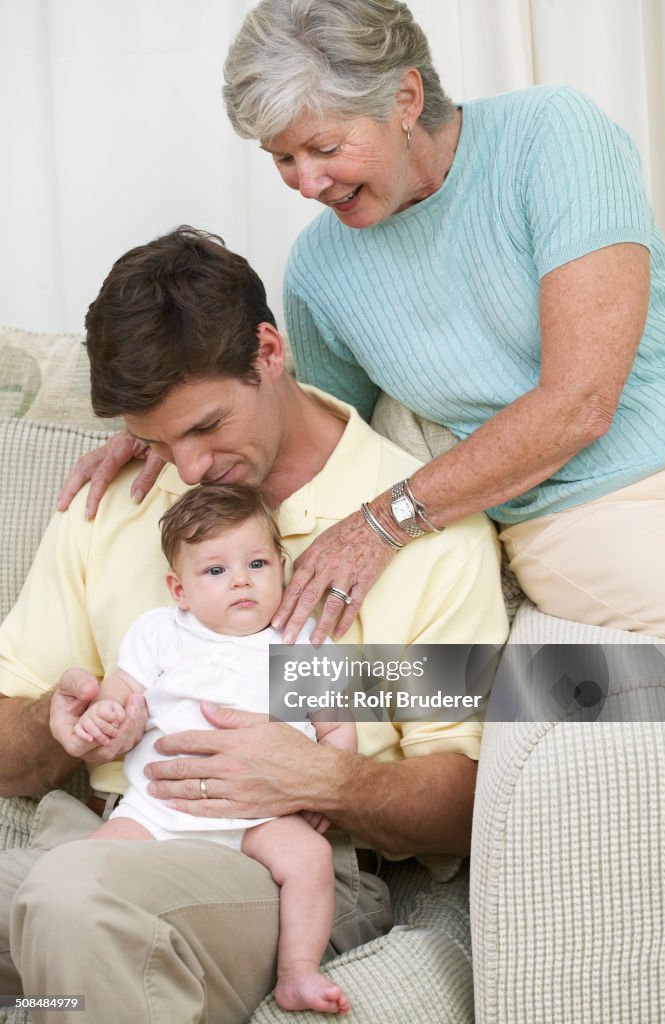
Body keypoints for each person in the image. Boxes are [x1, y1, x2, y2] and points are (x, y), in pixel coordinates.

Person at [0, 227, 508, 1023]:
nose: (187, 468)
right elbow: (9, 735)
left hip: (273, 862)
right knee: (73, 895)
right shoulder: (119, 500)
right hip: (111, 830)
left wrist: (325, 778)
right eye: (157, 438)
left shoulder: (419, 531)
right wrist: (55, 723)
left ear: (269, 351)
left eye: (205, 426)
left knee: (72, 901)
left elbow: (468, 798)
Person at [62, 0, 665, 642]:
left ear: (405, 98)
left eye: (323, 147)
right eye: (282, 159)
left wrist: (384, 521)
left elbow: (582, 401)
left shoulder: (553, 134)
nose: (305, 183)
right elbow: (324, 438)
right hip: (584, 513)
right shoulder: (320, 270)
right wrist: (171, 423)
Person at [72, 483, 354, 1015]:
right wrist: (107, 714)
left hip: (260, 816)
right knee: (83, 872)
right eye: (216, 571)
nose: (241, 580)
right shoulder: (161, 633)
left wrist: (324, 788)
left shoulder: (301, 642)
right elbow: (119, 693)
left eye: (256, 563)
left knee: (311, 858)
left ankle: (298, 969)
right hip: (159, 806)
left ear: (282, 566)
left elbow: (336, 730)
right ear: (179, 590)